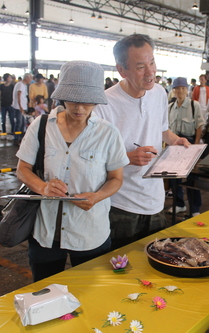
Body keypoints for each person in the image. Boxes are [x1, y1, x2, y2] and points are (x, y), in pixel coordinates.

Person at [16, 61, 129, 282]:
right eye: (74, 101)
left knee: (91, 293)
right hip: (46, 233)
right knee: (45, 292)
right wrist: (43, 187)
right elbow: (23, 169)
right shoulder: (40, 127)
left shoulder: (108, 133)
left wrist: (97, 196)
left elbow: (116, 179)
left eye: (88, 102)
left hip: (90, 233)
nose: (80, 108)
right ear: (62, 96)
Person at [95, 34, 190, 249]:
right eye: (140, 67)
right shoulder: (105, 104)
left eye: (152, 62)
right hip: (121, 204)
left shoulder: (158, 92)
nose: (150, 73)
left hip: (155, 200)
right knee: (121, 270)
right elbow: (91, 158)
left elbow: (163, 130)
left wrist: (176, 141)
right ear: (122, 70)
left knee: (154, 266)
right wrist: (126, 158)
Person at [167, 77, 205, 216]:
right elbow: (166, 127)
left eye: (183, 88)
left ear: (187, 90)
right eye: (177, 88)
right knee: (173, 176)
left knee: (192, 178)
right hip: (173, 143)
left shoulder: (194, 105)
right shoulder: (170, 107)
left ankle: (195, 209)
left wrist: (195, 146)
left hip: (189, 144)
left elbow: (200, 126)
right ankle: (179, 204)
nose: (180, 91)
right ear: (174, 90)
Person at [12, 73, 32, 146]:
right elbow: (19, 96)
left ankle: (20, 138)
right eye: (30, 78)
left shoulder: (24, 85)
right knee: (19, 123)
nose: (31, 80)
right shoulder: (20, 85)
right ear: (26, 78)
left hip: (22, 107)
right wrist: (20, 107)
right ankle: (16, 139)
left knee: (22, 123)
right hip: (19, 107)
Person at [0, 73, 15, 138]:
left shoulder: (12, 86)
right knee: (3, 120)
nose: (10, 78)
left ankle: (12, 133)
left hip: (10, 105)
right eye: (9, 77)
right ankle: (4, 133)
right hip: (3, 105)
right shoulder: (1, 86)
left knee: (12, 120)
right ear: (6, 78)